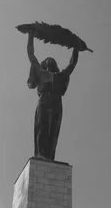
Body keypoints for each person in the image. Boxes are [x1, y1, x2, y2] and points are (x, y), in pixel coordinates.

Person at [26, 31, 80, 161]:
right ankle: (41, 155)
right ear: (44, 64)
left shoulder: (60, 76)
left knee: (53, 130)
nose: (50, 61)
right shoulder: (41, 72)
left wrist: (76, 48)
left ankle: (49, 156)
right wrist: (31, 35)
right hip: (44, 101)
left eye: (52, 61)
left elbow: (72, 64)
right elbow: (31, 54)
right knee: (42, 127)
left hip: (56, 103)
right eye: (47, 61)